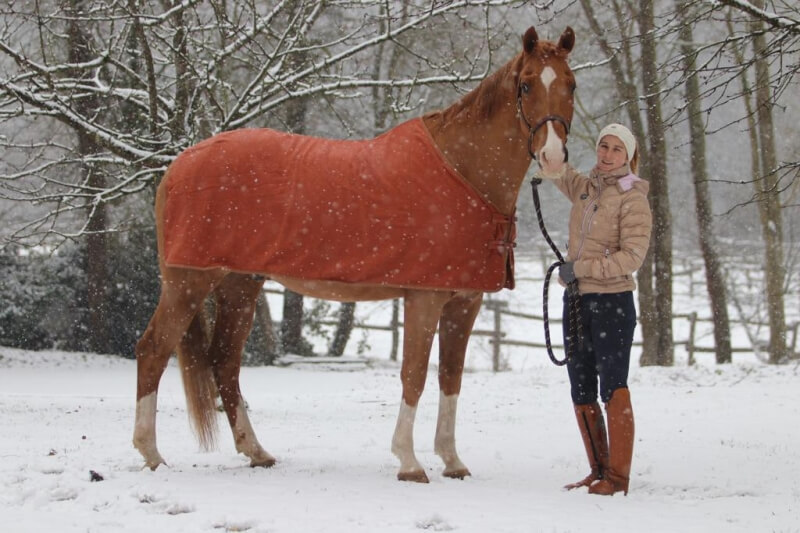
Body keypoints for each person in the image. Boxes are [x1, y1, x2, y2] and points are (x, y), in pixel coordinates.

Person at [539, 123, 652, 496]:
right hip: (577, 300)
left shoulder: (633, 198)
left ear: (628, 156)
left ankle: (618, 477)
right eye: (603, 146)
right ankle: (598, 469)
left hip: (612, 302)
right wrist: (548, 137)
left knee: (613, 385)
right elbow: (557, 170)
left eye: (616, 149)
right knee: (581, 384)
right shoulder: (586, 187)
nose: (606, 154)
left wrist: (581, 269)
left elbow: (631, 257)